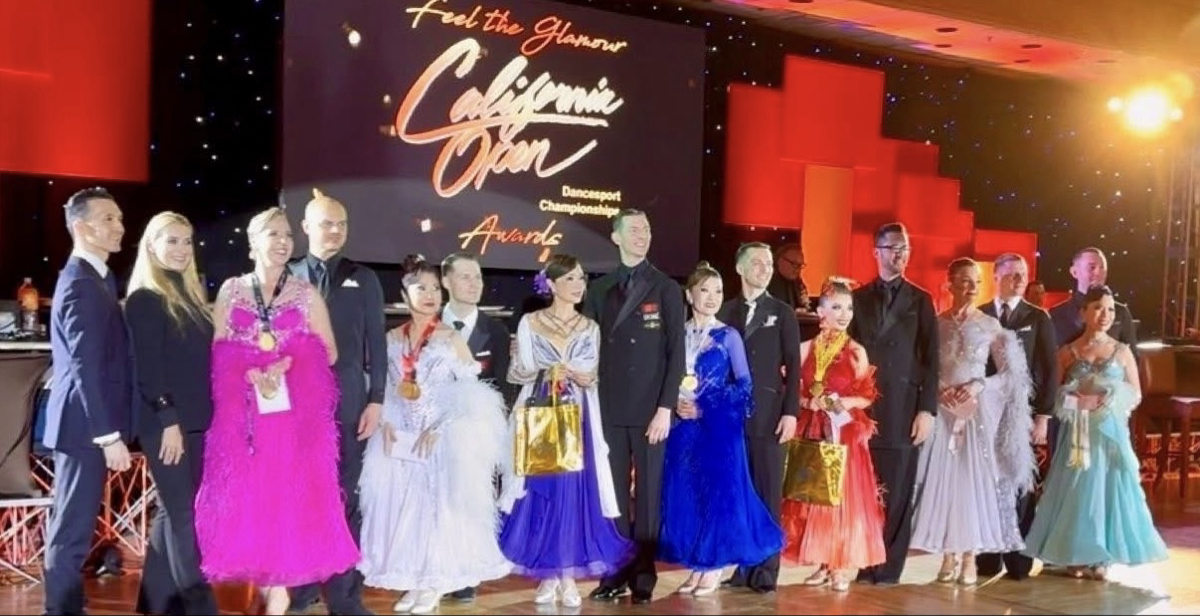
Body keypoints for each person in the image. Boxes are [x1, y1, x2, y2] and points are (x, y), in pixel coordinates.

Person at [195, 207, 360, 615]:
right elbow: (218, 347)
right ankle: (270, 591)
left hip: (292, 420)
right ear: (253, 242)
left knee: (289, 502)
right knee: (253, 503)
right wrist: (246, 369)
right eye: (274, 234)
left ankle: (279, 595)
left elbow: (329, 351)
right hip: (245, 420)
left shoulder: (305, 293)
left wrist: (290, 362)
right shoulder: (233, 289)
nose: (283, 241)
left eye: (287, 234)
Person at [357, 256, 511, 615]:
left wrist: (440, 427)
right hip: (402, 436)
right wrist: (387, 420)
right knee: (404, 508)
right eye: (420, 287)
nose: (429, 294)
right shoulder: (391, 338)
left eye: (434, 288)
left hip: (438, 437)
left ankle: (435, 583)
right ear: (404, 294)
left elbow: (473, 394)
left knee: (437, 508)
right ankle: (416, 579)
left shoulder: (450, 337)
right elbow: (386, 387)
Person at [498, 254, 634, 607]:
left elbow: (593, 376)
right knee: (542, 490)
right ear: (552, 284)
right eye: (570, 278)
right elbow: (517, 372)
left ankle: (567, 575)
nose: (578, 285)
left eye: (581, 279)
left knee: (573, 492)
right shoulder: (530, 322)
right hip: (541, 413)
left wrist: (577, 375)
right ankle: (547, 574)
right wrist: (546, 371)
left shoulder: (589, 327)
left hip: (578, 416)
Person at [1023, 286, 1168, 579]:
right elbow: (1052, 396)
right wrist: (1076, 401)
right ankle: (1073, 554)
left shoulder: (1121, 351)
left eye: (1110, 309)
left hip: (1109, 434)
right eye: (1099, 308)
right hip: (1077, 434)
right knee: (1077, 489)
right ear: (1084, 313)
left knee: (1107, 489)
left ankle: (1102, 556)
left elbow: (1136, 394)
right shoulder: (1067, 352)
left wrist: (1110, 399)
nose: (1106, 315)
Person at [908, 258, 1037, 586]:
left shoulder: (990, 325)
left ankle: (968, 556)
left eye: (976, 282)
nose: (971, 287)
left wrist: (979, 385)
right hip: (943, 411)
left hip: (975, 413)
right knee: (945, 483)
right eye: (964, 281)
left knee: (970, 483)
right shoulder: (936, 323)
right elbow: (922, 366)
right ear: (949, 283)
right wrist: (938, 389)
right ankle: (948, 555)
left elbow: (1010, 375)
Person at [286, 190, 384, 615]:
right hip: (296, 408)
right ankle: (302, 587)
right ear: (306, 227)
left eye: (341, 224)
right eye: (327, 223)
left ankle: (344, 594)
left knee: (346, 497)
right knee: (300, 496)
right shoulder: (286, 275)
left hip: (349, 404)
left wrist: (376, 399)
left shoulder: (363, 277)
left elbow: (377, 344)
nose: (335, 231)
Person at [659, 261, 783, 595]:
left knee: (718, 495)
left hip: (718, 429)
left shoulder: (728, 336)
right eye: (705, 290)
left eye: (718, 291)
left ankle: (715, 565)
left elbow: (745, 386)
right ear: (690, 295)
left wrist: (706, 407)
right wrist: (675, 404)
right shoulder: (677, 334)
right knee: (689, 493)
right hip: (683, 428)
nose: (712, 297)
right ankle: (697, 563)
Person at [583, 209, 686, 604]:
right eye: (634, 229)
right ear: (616, 237)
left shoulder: (666, 288)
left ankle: (644, 575)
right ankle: (615, 572)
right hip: (609, 407)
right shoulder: (600, 289)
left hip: (650, 412)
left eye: (647, 229)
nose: (642, 235)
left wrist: (665, 408)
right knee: (612, 495)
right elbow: (588, 349)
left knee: (647, 497)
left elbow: (676, 354)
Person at [43, 187, 134, 616]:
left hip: (86, 426)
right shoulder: (81, 283)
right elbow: (84, 366)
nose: (119, 227)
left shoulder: (98, 277)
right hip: (83, 428)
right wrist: (107, 435)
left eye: (119, 218)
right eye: (108, 219)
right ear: (80, 227)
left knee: (74, 528)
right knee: (71, 531)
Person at [125, 212, 218, 614]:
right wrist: (169, 421)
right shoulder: (146, 299)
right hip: (167, 425)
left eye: (186, 241)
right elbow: (149, 370)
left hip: (196, 423)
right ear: (152, 246)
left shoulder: (191, 299)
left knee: (173, 512)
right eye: (172, 241)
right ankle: (200, 608)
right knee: (183, 517)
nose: (182, 249)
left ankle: (154, 604)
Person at [846, 222, 938, 585]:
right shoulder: (858, 298)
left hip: (903, 407)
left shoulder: (921, 300)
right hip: (865, 408)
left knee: (898, 490)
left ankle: (889, 567)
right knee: (865, 488)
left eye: (904, 249)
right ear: (876, 252)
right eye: (892, 248)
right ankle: (864, 560)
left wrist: (926, 410)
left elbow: (932, 360)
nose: (899, 254)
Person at [782, 277, 885, 592]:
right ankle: (823, 561)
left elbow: (867, 396)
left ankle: (840, 565)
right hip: (813, 427)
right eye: (836, 307)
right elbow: (792, 389)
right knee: (815, 496)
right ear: (820, 311)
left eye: (848, 308)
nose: (844, 314)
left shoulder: (856, 352)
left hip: (844, 432)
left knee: (842, 498)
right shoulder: (805, 349)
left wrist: (843, 402)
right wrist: (807, 402)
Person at [716, 242, 800, 593]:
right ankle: (742, 566)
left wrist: (791, 413)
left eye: (768, 263)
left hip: (769, 416)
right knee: (739, 493)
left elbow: (793, 367)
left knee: (767, 494)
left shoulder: (782, 312)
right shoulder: (724, 310)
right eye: (757, 263)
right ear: (740, 267)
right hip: (731, 418)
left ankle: (766, 570)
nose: (765, 269)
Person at [976, 253, 1057, 581]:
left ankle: (1019, 557)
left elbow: (1049, 369)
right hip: (985, 413)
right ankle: (987, 555)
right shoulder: (980, 315)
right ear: (996, 276)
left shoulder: (1037, 317)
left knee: (1020, 481)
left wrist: (1043, 417)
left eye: (1023, 274)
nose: (1020, 279)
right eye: (1012, 274)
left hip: (1021, 414)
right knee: (987, 480)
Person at [1049, 248, 1137, 348]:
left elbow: (1132, 354)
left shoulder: (1120, 313)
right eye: (1092, 267)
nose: (1097, 273)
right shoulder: (1056, 315)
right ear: (1074, 272)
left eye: (1102, 268)